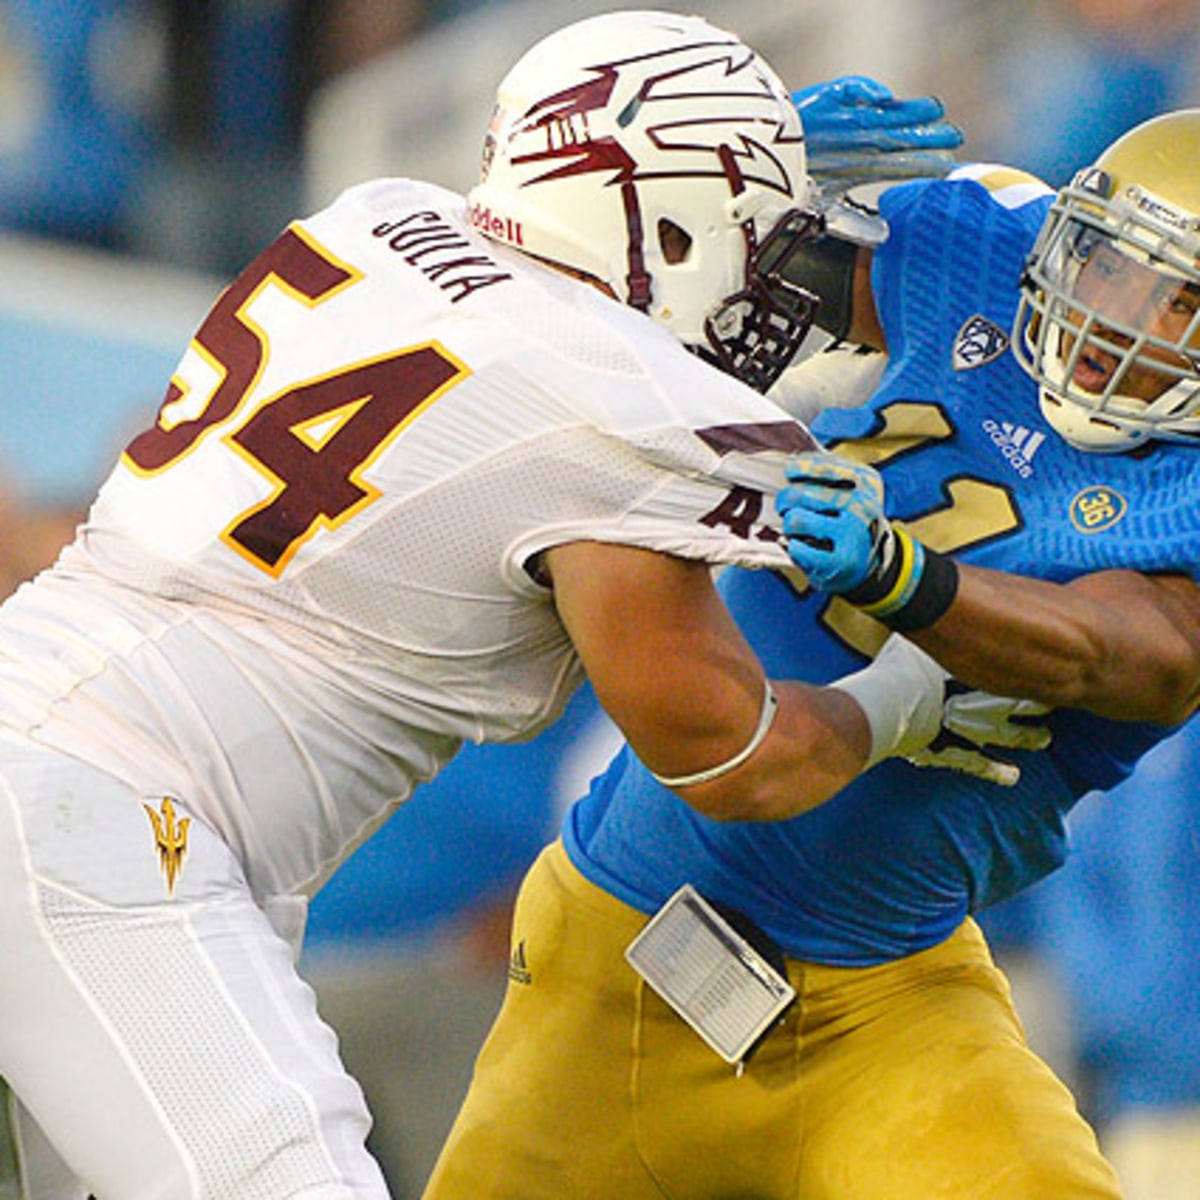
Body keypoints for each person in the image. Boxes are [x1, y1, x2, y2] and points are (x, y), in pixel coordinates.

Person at [0, 11, 979, 1199]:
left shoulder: (379, 218)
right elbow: (734, 758)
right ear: (658, 224)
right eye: (750, 230)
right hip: (104, 813)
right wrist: (904, 698)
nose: (768, 267)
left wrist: (720, 159)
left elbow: (555, 221)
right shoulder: (621, 407)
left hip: (63, 727)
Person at [421, 108, 1200, 1199]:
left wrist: (899, 576)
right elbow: (618, 271)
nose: (1123, 318)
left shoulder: (1181, 512)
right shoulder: (980, 242)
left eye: (1181, 305)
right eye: (1114, 270)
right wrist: (745, 165)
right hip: (626, 935)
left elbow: (1113, 653)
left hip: (886, 995)